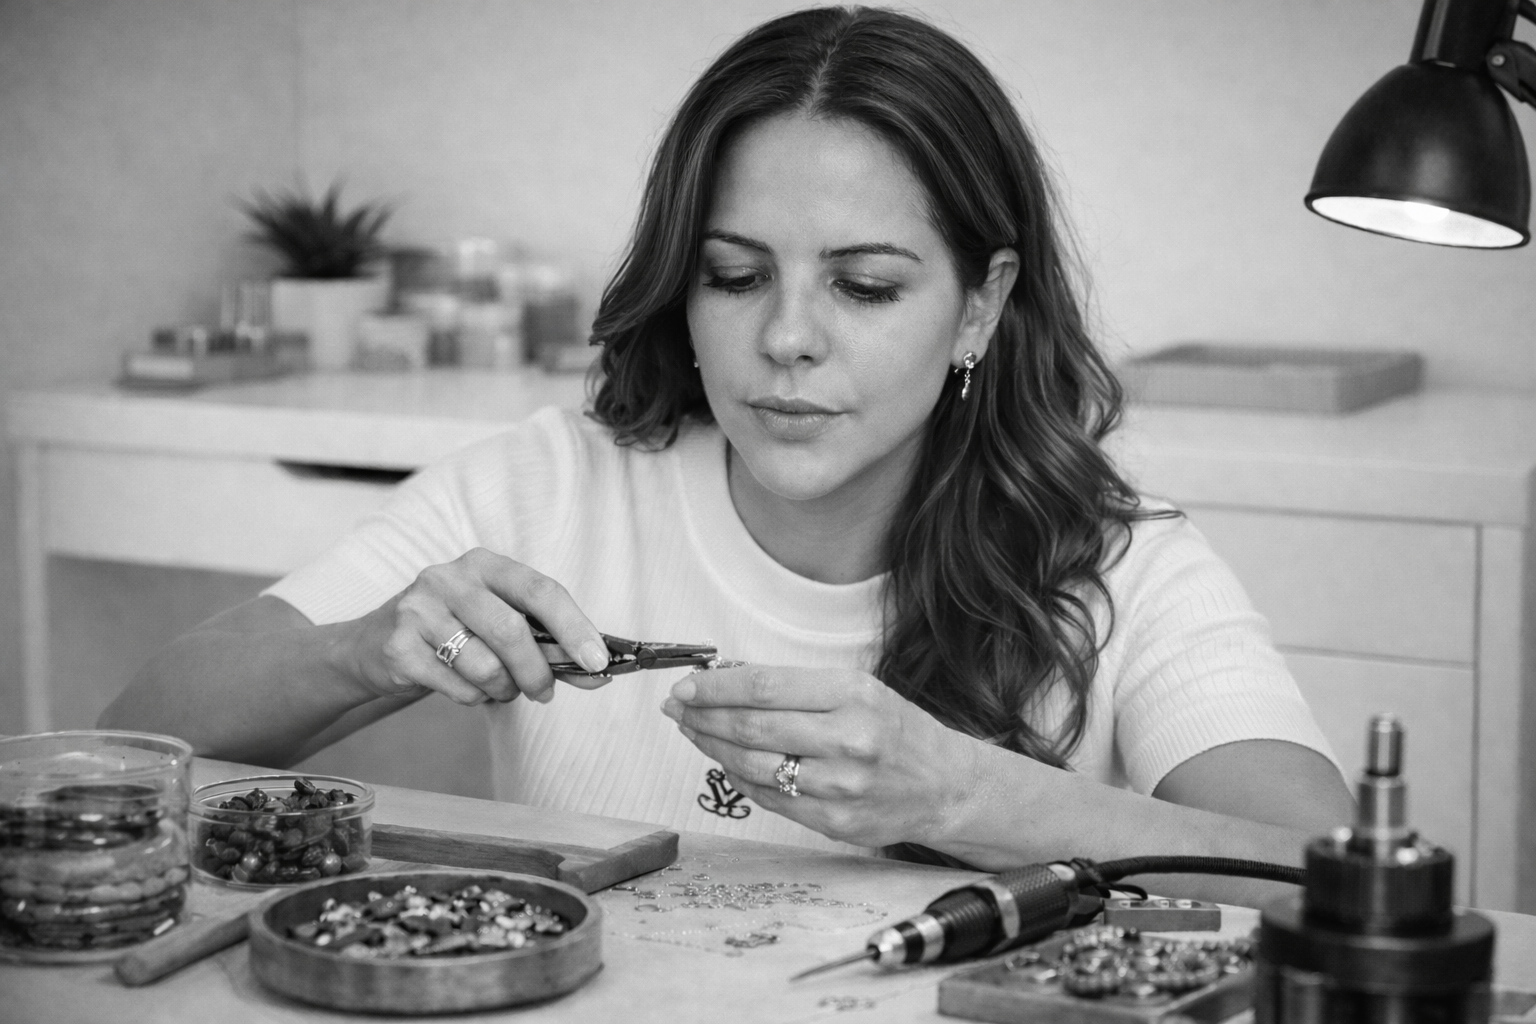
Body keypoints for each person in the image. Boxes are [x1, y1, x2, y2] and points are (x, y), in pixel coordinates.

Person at [103, 5, 1352, 904]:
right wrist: (366, 648)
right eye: (734, 275)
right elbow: (133, 742)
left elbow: (1330, 884)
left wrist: (967, 797)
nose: (787, 340)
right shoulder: (548, 483)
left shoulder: (1122, 559)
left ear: (978, 306)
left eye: (865, 287)